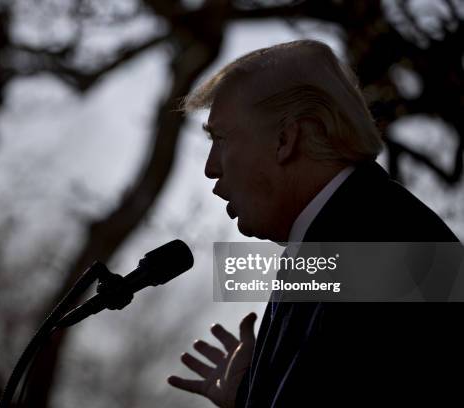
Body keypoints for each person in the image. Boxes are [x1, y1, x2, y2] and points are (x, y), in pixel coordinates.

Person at [167, 40, 463, 407]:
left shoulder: (382, 247)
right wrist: (252, 397)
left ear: (285, 139)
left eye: (221, 139)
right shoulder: (349, 236)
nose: (211, 167)